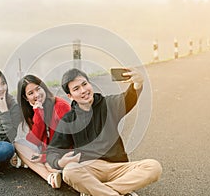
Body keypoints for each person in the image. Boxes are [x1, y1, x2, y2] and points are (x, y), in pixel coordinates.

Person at [47, 68, 162, 196]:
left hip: (118, 168)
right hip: (90, 169)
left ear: (90, 84)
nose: (83, 90)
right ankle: (115, 192)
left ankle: (96, 191)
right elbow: (52, 151)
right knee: (69, 171)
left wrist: (138, 84)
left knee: (153, 167)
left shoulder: (108, 104)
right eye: (76, 89)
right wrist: (59, 162)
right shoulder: (69, 119)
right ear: (70, 96)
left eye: (85, 84)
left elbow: (127, 99)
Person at [12, 74, 71, 188]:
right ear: (25, 98)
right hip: (47, 150)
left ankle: (53, 174)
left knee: (47, 164)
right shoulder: (35, 108)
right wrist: (38, 112)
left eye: (38, 88)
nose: (37, 95)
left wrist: (44, 158)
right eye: (30, 93)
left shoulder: (60, 107)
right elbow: (35, 140)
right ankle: (50, 178)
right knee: (18, 145)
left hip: (63, 153)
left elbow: (68, 143)